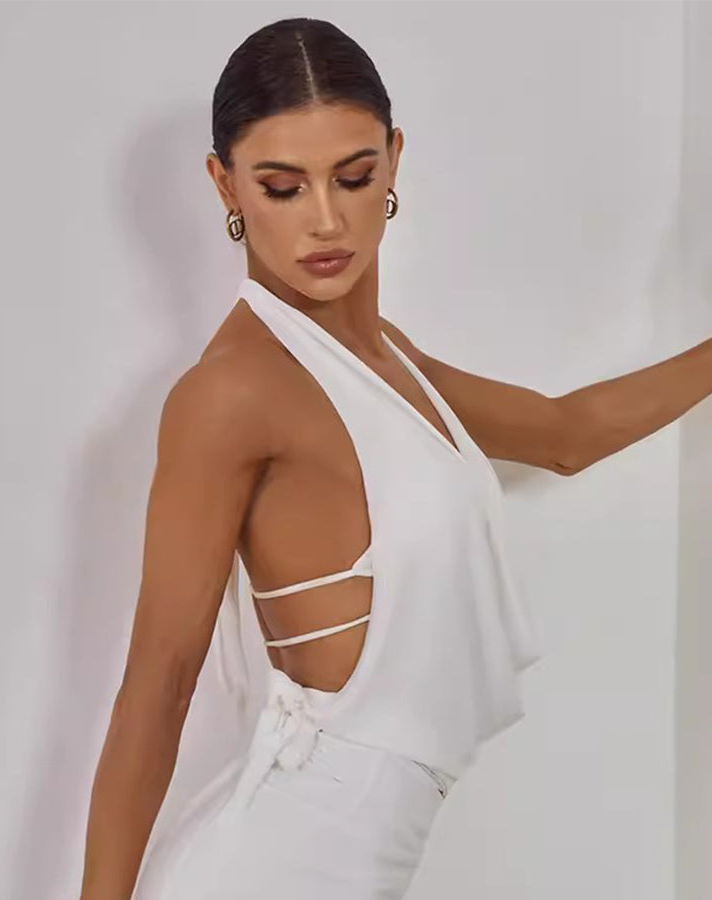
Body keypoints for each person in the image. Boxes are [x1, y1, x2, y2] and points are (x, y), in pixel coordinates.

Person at [78, 17, 712, 900]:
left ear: (395, 161)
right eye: (282, 187)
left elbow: (566, 435)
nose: (325, 220)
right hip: (279, 868)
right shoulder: (231, 393)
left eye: (354, 176)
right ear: (225, 184)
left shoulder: (388, 362)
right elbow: (159, 683)